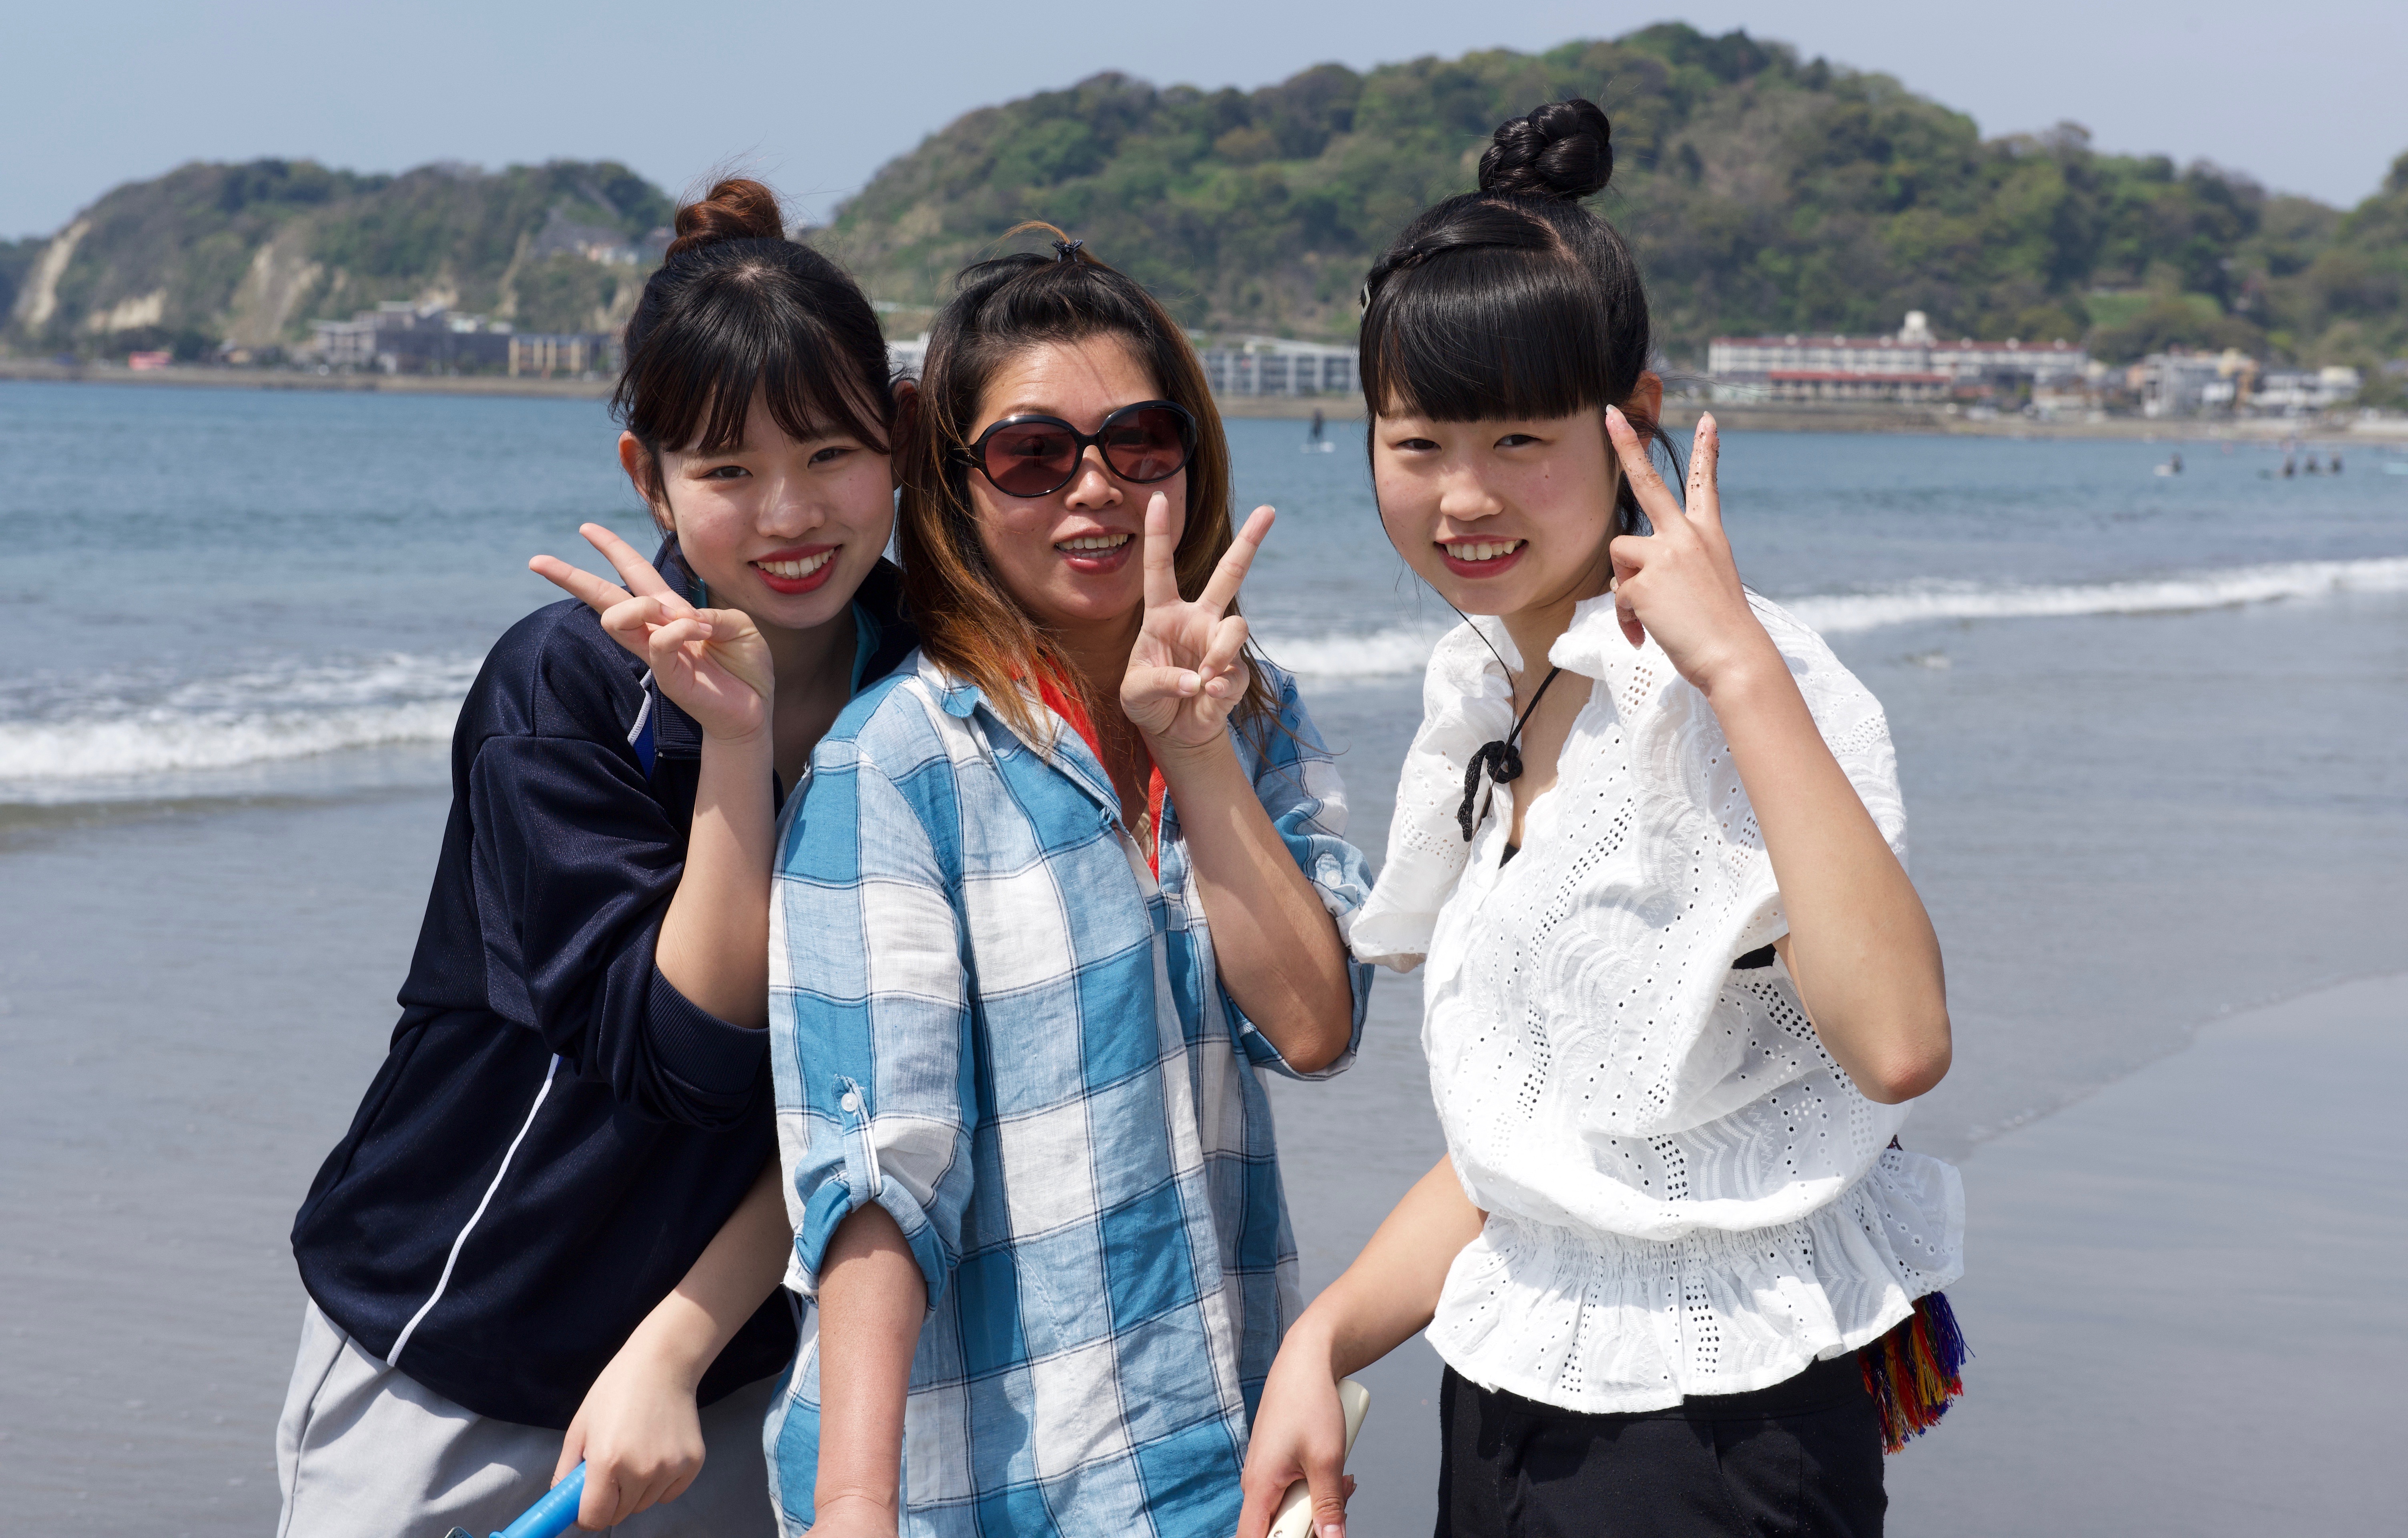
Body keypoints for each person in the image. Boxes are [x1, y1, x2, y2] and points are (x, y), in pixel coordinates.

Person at [1237, 101, 1965, 1538]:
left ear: (1628, 414)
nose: (1463, 497)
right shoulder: (1491, 689)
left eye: (1521, 438)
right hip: (1504, 1403)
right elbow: (1550, 1146)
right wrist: (1321, 1341)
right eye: (1417, 441)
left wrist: (1738, 664)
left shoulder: (1743, 686)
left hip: (1717, 1438)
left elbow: (1899, 1046)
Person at [279, 179, 917, 1538]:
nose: (792, 514)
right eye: (729, 472)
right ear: (650, 480)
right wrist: (733, 749)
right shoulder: (563, 691)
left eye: (829, 454)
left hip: (726, 1378)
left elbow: (868, 1096)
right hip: (456, 1347)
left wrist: (678, 1347)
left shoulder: (926, 689)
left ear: (902, 443)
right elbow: (685, 1058)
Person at [763, 231, 1375, 1538]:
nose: (1094, 491)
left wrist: (1194, 748)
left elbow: (1315, 1030)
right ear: (960, 484)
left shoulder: (1248, 712)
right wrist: (853, 1506)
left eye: (1138, 443)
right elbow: (880, 1166)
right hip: (984, 1492)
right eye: (1035, 455)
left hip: (1225, 1461)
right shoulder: (898, 763)